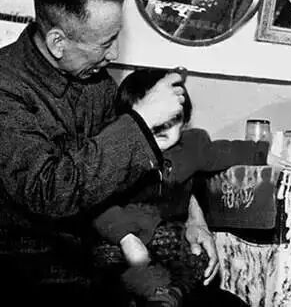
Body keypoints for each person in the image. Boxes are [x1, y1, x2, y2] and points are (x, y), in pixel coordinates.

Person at [0, 0, 188, 306]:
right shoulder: (5, 87)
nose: (113, 53)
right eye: (105, 43)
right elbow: (50, 190)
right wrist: (140, 121)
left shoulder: (95, 82)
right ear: (58, 42)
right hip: (22, 275)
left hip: (93, 265)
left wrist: (195, 220)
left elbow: (131, 174)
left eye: (117, 38)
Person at [92, 67, 268, 306]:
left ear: (185, 120)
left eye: (172, 119)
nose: (162, 128)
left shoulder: (192, 147)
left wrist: (266, 152)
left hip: (169, 239)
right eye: (152, 119)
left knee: (198, 258)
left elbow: (230, 151)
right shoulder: (118, 153)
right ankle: (150, 293)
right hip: (122, 238)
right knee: (110, 266)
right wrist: (125, 237)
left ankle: (171, 294)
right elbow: (99, 203)